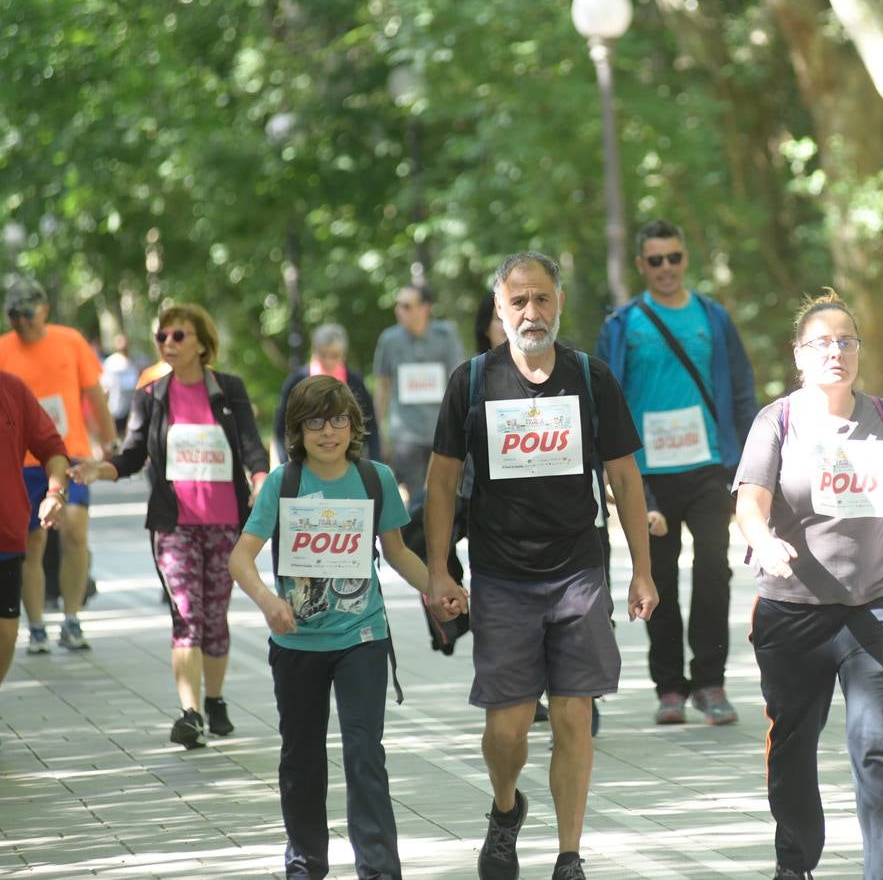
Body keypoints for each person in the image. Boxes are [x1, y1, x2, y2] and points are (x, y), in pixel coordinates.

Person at [423, 252, 657, 880]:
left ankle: (569, 855)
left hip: (579, 570)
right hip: (500, 575)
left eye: (542, 299)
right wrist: (440, 571)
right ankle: (506, 809)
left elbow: (626, 480)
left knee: (576, 714)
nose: (532, 312)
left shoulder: (589, 376)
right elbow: (441, 484)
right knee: (509, 727)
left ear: (559, 304)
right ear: (499, 310)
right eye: (518, 301)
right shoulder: (472, 382)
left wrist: (642, 570)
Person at [733, 290, 883, 880]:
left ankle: (882, 868)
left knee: (877, 745)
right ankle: (796, 864)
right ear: (799, 355)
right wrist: (763, 539)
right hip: (794, 611)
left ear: (858, 350)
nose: (835, 352)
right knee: (792, 745)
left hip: (877, 608)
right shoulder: (777, 420)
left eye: (846, 341)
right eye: (821, 343)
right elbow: (750, 501)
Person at [230, 375, 466, 879]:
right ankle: (305, 865)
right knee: (301, 759)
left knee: (364, 755)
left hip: (362, 638)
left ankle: (379, 869)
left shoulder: (374, 478)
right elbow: (241, 559)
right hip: (295, 643)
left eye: (338, 420)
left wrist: (437, 587)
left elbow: (398, 551)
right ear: (297, 430)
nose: (328, 432)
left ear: (353, 426)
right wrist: (269, 602)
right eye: (315, 422)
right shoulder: (283, 483)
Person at [72, 305, 269, 747]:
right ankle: (190, 713)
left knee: (215, 618)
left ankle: (215, 700)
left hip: (225, 525)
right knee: (186, 615)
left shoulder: (228, 390)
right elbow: (133, 454)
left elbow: (251, 447)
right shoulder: (153, 394)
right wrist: (97, 469)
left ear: (201, 342)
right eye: (162, 337)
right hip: (173, 526)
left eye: (178, 336)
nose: (168, 344)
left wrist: (261, 482)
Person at [595, 218, 757, 726]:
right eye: (656, 260)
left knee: (715, 573)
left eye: (675, 258)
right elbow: (604, 404)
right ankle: (669, 687)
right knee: (656, 577)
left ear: (685, 259)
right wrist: (615, 476)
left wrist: (751, 462)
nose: (666, 268)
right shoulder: (622, 325)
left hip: (710, 465)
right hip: (647, 476)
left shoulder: (713, 317)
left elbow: (741, 390)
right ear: (642, 265)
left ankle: (710, 682)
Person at [0, 278, 118, 653]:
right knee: (32, 543)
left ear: (44, 309)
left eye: (28, 314)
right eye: (13, 315)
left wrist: (111, 441)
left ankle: (71, 618)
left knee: (74, 532)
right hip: (22, 461)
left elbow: (95, 395)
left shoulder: (70, 342)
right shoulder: (3, 350)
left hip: (70, 454)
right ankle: (35, 626)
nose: (22, 322)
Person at [0, 371, 68, 687]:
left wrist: (55, 492)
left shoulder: (12, 390)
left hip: (6, 536)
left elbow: (53, 449)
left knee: (6, 633)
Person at [372, 285, 464, 498]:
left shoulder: (446, 336)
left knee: (445, 494)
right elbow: (382, 385)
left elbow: (458, 379)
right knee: (417, 499)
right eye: (398, 305)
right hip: (407, 435)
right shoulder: (389, 340)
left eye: (406, 306)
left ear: (424, 309)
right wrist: (377, 428)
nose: (399, 310)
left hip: (442, 431)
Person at [276, 323, 381, 463]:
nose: (329, 361)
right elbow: (281, 428)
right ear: (314, 351)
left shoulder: (354, 382)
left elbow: (370, 425)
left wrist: (375, 463)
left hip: (348, 462)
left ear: (344, 355)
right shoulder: (297, 381)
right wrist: (286, 464)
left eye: (334, 355)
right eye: (323, 355)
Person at [100, 332, 142, 436]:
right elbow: (104, 388)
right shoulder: (110, 363)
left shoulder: (133, 361)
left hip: (133, 410)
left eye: (123, 341)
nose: (122, 344)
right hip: (117, 410)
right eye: (119, 341)